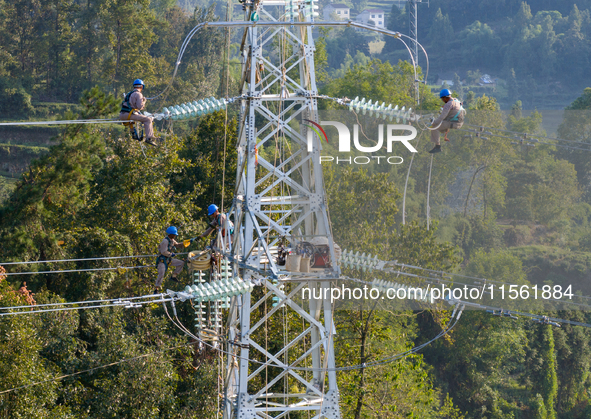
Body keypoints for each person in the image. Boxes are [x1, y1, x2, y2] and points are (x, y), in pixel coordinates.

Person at [119, 79, 159, 147]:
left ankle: (133, 133)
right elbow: (140, 107)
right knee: (148, 119)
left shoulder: (129, 93)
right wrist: (144, 101)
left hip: (122, 115)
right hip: (128, 115)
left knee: (137, 117)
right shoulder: (138, 94)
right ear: (142, 87)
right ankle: (149, 138)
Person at [429, 88, 466, 153]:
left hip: (453, 123)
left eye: (442, 99)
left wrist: (434, 123)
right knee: (440, 126)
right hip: (459, 122)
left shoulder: (448, 104)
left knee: (435, 127)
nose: (443, 100)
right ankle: (442, 133)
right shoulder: (456, 100)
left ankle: (438, 147)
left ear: (445, 98)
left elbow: (442, 116)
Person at [154, 226, 185, 293]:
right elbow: (163, 252)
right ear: (170, 234)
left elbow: (177, 245)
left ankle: (174, 276)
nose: (175, 236)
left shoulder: (172, 241)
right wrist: (171, 254)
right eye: (174, 234)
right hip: (162, 261)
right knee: (161, 273)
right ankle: (156, 289)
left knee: (181, 263)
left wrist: (186, 243)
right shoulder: (165, 241)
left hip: (169, 260)